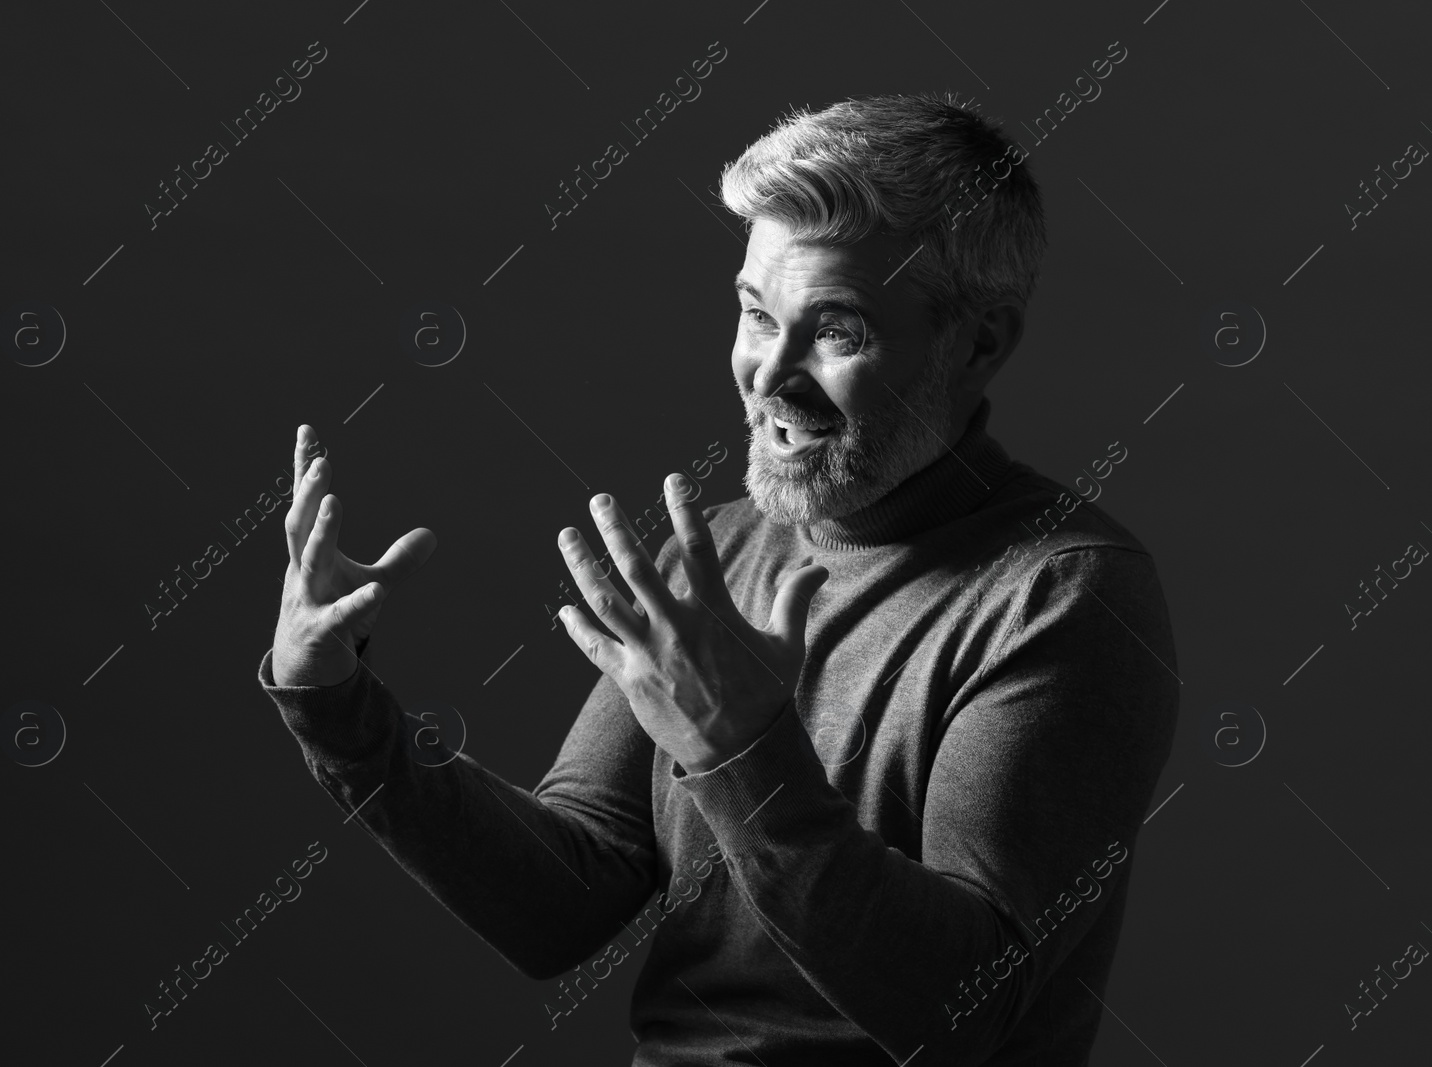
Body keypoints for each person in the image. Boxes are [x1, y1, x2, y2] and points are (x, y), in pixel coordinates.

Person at [258, 92, 1178, 1065]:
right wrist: (334, 703)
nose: (767, 375)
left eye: (836, 330)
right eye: (753, 313)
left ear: (978, 341)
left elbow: (964, 1009)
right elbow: (564, 898)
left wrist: (743, 744)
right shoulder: (721, 548)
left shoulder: (1066, 595)